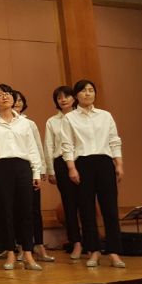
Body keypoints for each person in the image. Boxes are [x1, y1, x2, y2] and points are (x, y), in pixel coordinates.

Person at [61, 79, 126, 268]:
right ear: (76, 95)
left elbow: (114, 140)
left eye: (91, 90)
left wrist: (119, 164)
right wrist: (71, 168)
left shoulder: (105, 116)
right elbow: (67, 145)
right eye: (83, 91)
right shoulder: (69, 118)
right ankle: (93, 251)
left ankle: (114, 252)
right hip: (82, 163)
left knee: (110, 208)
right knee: (86, 209)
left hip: (105, 162)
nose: (88, 94)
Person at [0, 83, 43, 271]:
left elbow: (32, 148)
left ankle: (28, 254)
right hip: (1, 167)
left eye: (7, 94)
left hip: (23, 167)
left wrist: (36, 172)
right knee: (5, 211)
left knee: (26, 211)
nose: (4, 97)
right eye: (0, 95)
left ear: (13, 98)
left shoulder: (24, 122)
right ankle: (10, 253)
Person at [13, 90, 55, 262]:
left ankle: (39, 244)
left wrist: (42, 168)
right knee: (17, 209)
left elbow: (37, 146)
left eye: (20, 100)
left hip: (31, 170)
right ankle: (22, 246)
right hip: (15, 170)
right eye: (15, 100)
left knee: (34, 209)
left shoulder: (29, 124)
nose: (17, 102)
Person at [44, 85, 82, 259]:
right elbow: (49, 146)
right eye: (59, 97)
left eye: (66, 96)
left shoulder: (81, 117)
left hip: (81, 159)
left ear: (74, 98)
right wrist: (50, 170)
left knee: (86, 202)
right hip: (61, 162)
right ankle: (76, 242)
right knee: (69, 204)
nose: (63, 99)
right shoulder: (52, 121)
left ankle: (92, 241)